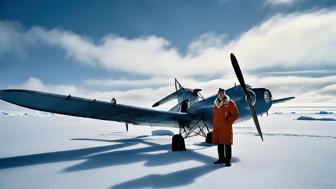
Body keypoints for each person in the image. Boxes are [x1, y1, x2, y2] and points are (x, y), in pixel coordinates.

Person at [213, 88, 239, 166]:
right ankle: (221, 159)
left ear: (224, 94)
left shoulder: (230, 103)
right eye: (219, 93)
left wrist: (228, 121)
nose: (220, 95)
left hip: (226, 127)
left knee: (227, 144)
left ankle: (227, 161)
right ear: (217, 94)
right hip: (218, 127)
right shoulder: (215, 104)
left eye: (222, 93)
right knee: (220, 144)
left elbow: (236, 114)